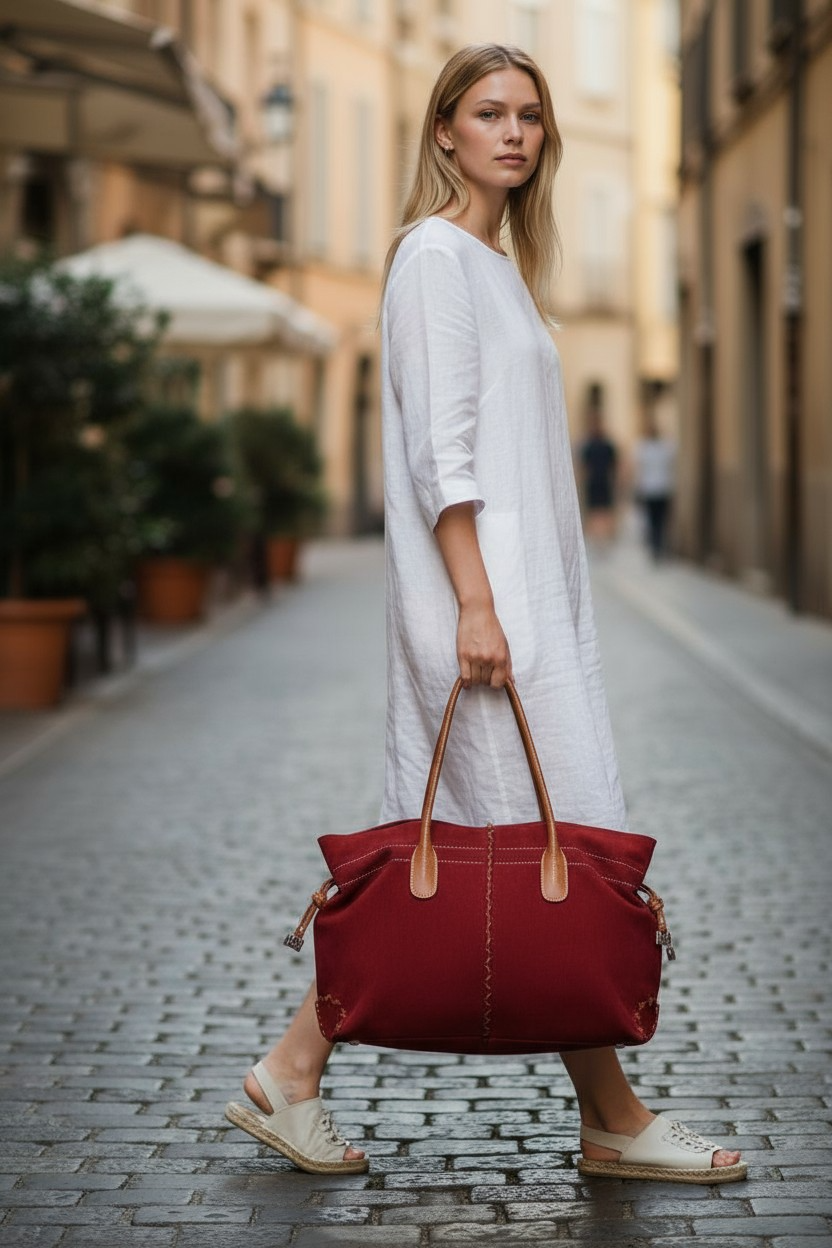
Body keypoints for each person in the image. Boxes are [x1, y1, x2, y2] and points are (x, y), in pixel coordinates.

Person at [225, 43, 746, 1185]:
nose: (513, 133)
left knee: (528, 849)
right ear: (444, 130)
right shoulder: (432, 261)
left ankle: (292, 1073)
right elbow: (437, 454)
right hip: (482, 613)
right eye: (487, 113)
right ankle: (605, 1116)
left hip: (524, 612)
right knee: (536, 845)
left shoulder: (495, 265)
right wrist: (472, 602)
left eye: (530, 116)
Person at [633, 417, 676, 562]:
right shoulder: (665, 446)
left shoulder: (643, 447)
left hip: (653, 489)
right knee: (659, 520)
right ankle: (658, 546)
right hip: (661, 488)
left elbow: (639, 469)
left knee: (654, 520)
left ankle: (656, 547)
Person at [579, 403, 619, 545]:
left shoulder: (606, 444)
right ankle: (598, 538)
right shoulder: (589, 445)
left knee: (604, 511)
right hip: (594, 482)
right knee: (594, 512)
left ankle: (604, 538)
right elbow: (584, 466)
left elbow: (614, 465)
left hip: (603, 481)